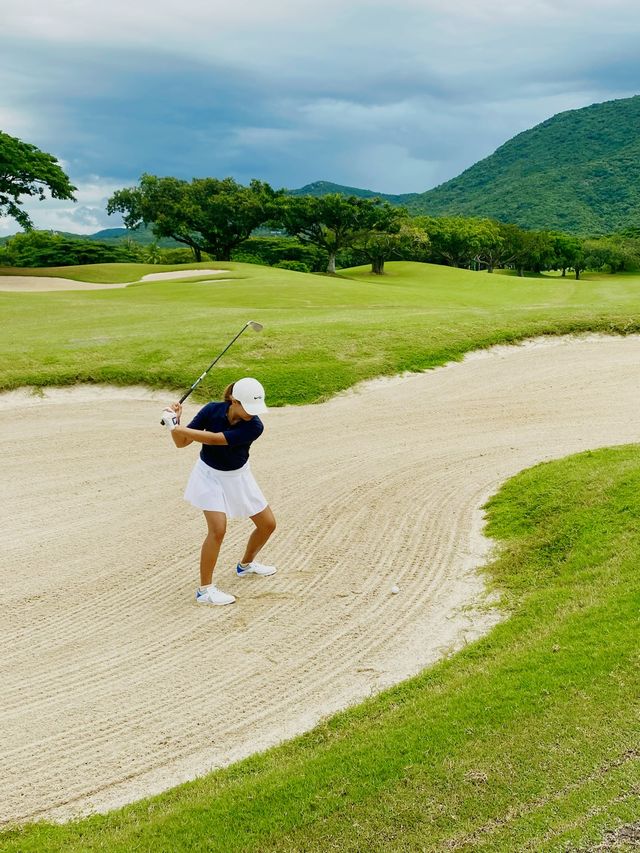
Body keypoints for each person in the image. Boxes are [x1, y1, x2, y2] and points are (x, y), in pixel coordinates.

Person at [161, 377, 277, 606]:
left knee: (268, 525)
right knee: (217, 529)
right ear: (234, 400)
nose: (253, 413)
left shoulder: (255, 426)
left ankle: (245, 566)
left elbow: (215, 440)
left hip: (239, 476)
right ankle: (205, 591)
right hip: (208, 476)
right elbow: (181, 442)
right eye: (248, 407)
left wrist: (175, 425)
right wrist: (175, 424)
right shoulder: (212, 410)